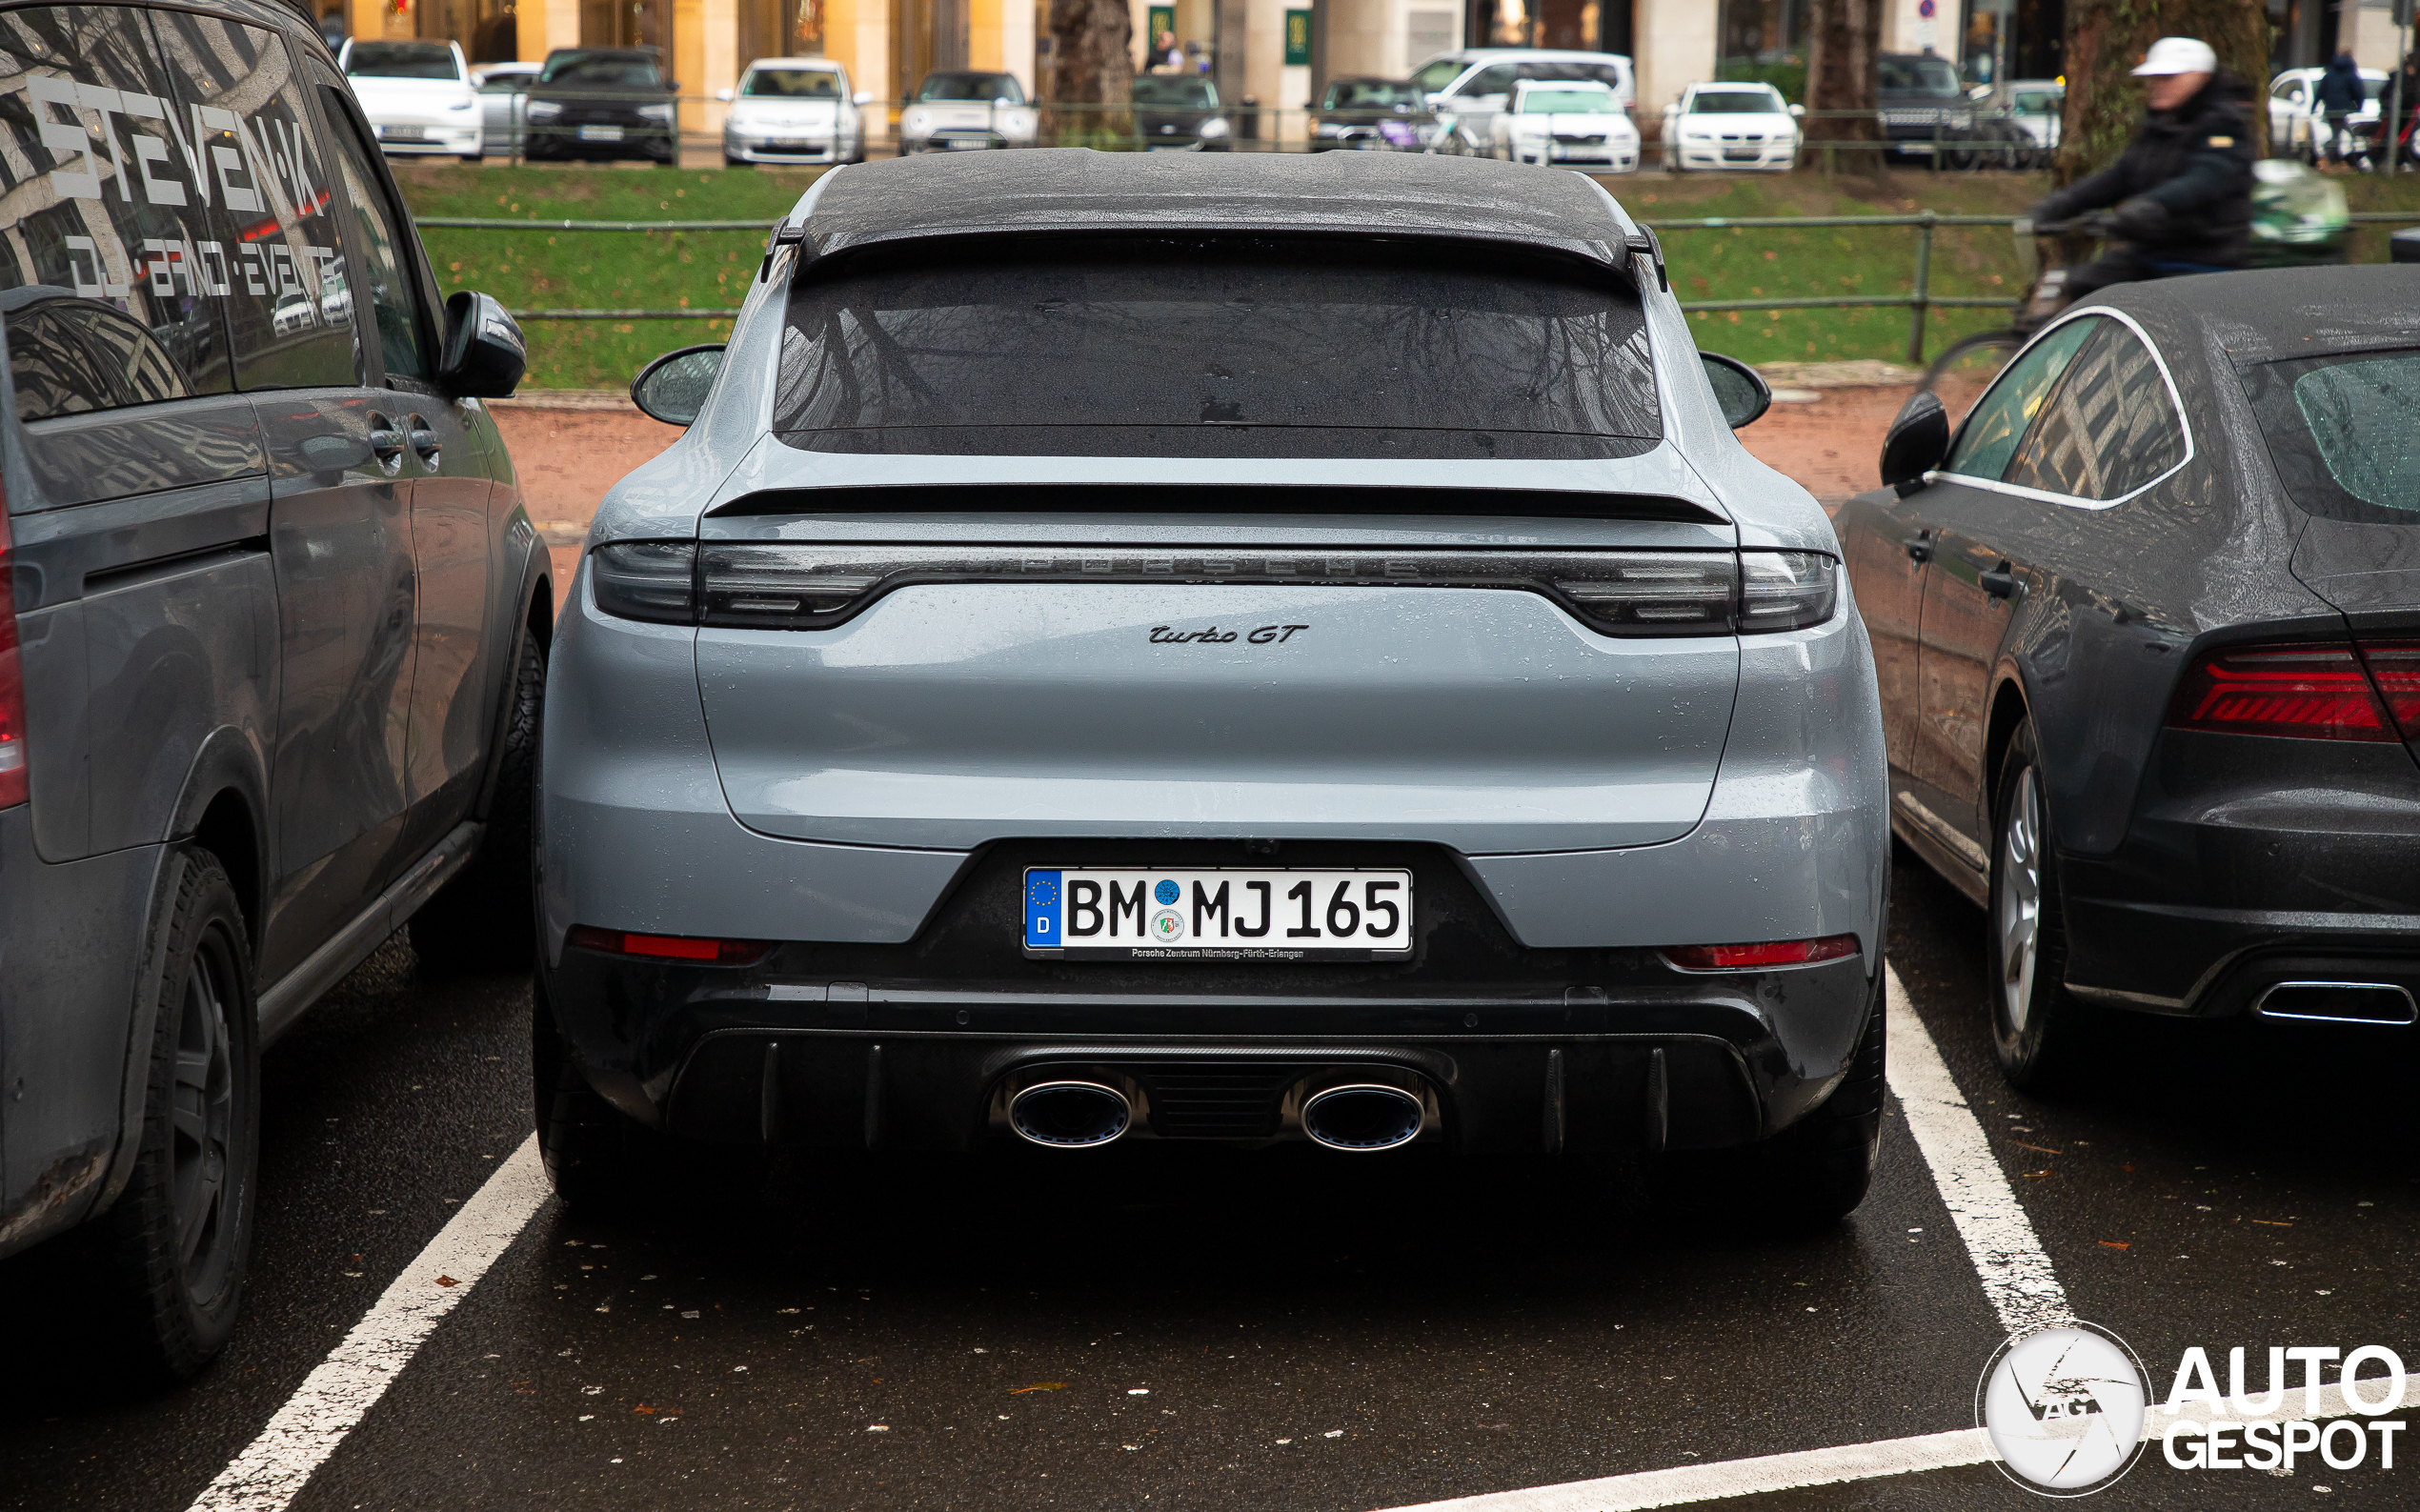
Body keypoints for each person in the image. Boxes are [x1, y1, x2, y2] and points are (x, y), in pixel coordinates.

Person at [2027, 36, 2255, 307]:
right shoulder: (2160, 126)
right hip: (2151, 252)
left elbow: (2206, 178)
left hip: (2202, 259)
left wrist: (2151, 207)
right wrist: (2062, 204)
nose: (2157, 85)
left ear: (2201, 77)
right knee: (2081, 285)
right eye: (2154, 78)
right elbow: (2119, 176)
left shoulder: (2225, 126)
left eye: (2168, 77)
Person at [2315, 47, 2365, 169]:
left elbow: (2321, 91)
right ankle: (2333, 156)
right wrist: (2358, 106)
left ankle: (2337, 156)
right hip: (2344, 109)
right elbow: (2359, 92)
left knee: (2338, 132)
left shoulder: (2330, 72)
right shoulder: (2350, 73)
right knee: (2340, 133)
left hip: (2330, 108)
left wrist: (2314, 105)